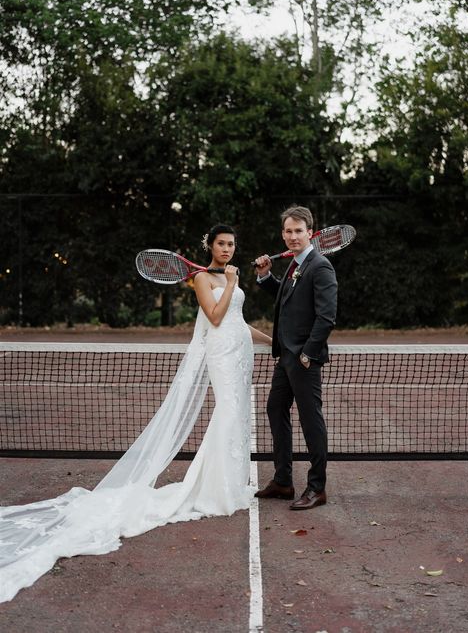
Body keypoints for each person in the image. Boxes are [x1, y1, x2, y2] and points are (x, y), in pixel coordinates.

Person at [0, 224, 271, 603]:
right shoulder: (201, 278)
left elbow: (237, 320)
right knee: (227, 413)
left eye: (231, 245)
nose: (227, 249)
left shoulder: (226, 276)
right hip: (221, 355)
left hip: (240, 352)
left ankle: (231, 482)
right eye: (221, 244)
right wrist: (226, 281)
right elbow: (214, 317)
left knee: (240, 416)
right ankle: (215, 491)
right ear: (210, 246)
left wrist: (270, 340)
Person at [253, 206, 338, 510]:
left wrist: (307, 355)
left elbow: (326, 317)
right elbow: (286, 298)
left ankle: (317, 488)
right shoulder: (294, 265)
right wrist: (265, 277)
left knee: (310, 421)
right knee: (275, 409)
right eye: (288, 231)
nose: (292, 236)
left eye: (298, 231)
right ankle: (283, 481)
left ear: (310, 233)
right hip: (285, 357)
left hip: (303, 360)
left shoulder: (321, 266)